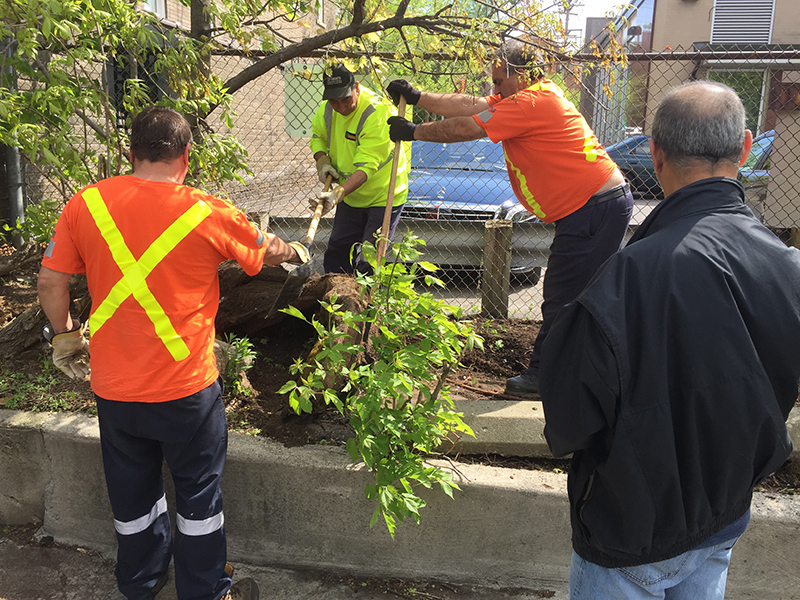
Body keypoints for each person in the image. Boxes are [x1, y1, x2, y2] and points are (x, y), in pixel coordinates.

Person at [538, 80, 800, 599]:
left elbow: (569, 420)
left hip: (630, 534)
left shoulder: (624, 279)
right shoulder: (787, 266)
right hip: (725, 516)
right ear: (746, 147)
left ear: (655, 154)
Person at [36, 106, 307, 600]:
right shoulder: (207, 211)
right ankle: (205, 591)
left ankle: (141, 583)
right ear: (186, 155)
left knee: (132, 496)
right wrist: (295, 250)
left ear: (130, 152)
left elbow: (51, 281)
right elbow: (265, 249)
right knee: (198, 497)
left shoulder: (86, 204)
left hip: (115, 390)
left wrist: (65, 336)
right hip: (186, 391)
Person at [386, 39, 633, 399]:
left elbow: (465, 128)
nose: (495, 89)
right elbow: (471, 104)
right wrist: (419, 96)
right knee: (577, 293)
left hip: (594, 206)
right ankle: (584, 371)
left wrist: (413, 132)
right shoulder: (525, 97)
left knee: (563, 295)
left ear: (522, 74)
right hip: (594, 205)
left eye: (499, 81)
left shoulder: (531, 103)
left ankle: (545, 378)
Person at [310, 63, 408, 274]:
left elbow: (367, 166)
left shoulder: (378, 113)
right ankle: (334, 293)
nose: (340, 107)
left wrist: (337, 194)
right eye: (334, 101)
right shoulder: (327, 109)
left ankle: (365, 295)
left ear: (356, 87)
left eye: (345, 99)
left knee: (369, 259)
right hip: (351, 195)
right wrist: (322, 161)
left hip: (383, 194)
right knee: (338, 251)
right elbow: (318, 136)